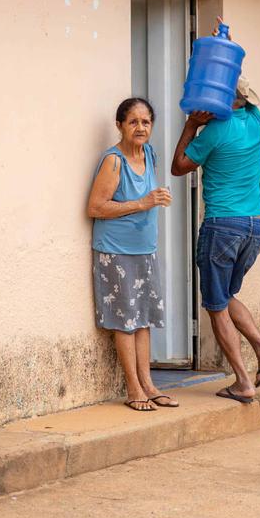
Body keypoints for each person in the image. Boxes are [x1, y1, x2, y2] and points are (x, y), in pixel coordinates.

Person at [170, 70, 260, 404]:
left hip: (223, 226)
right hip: (255, 226)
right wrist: (227, 51)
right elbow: (240, 83)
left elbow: (178, 167)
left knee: (215, 305)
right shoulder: (256, 120)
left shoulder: (215, 131)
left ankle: (243, 382)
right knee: (226, 295)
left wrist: (191, 125)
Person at [86, 98, 180, 412]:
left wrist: (152, 201)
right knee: (125, 320)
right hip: (116, 252)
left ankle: (149, 384)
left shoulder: (149, 154)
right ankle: (133, 388)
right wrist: (143, 202)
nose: (140, 128)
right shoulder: (113, 161)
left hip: (145, 250)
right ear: (120, 125)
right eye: (133, 122)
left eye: (146, 122)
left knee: (143, 319)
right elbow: (96, 207)